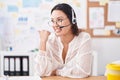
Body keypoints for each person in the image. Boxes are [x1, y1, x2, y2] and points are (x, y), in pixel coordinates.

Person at [34, 3, 92, 78]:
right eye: (52, 21)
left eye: (59, 20)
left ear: (72, 20)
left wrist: (57, 71)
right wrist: (42, 41)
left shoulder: (84, 38)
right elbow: (40, 72)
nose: (55, 25)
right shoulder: (50, 40)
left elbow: (83, 71)